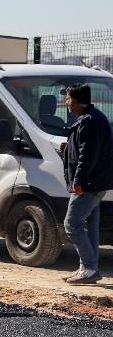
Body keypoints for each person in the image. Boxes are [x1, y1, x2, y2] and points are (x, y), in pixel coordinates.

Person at [57, 84, 113, 285]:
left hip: (88, 183)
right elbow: (84, 149)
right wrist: (67, 148)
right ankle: (88, 268)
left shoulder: (89, 121)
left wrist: (79, 181)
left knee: (71, 224)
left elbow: (88, 155)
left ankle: (89, 268)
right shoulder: (90, 119)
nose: (66, 102)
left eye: (68, 98)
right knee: (89, 226)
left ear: (77, 101)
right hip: (94, 182)